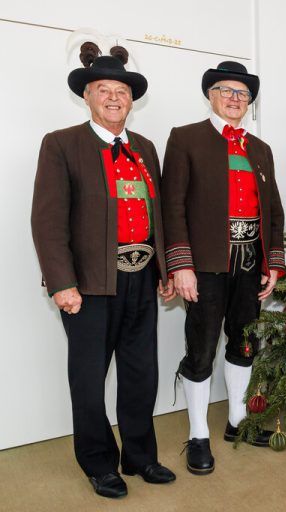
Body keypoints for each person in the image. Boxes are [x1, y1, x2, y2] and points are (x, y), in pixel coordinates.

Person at [30, 44, 176, 499]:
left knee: (141, 373)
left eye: (122, 91)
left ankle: (140, 456)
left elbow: (158, 215)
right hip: (90, 285)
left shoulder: (146, 148)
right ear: (87, 96)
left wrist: (165, 270)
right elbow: (48, 221)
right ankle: (98, 463)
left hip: (141, 278)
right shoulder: (61, 144)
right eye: (104, 90)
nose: (114, 98)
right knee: (89, 380)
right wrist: (62, 283)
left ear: (132, 100)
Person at [162, 61, 286, 475]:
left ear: (249, 102)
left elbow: (274, 211)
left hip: (250, 262)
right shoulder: (185, 138)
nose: (235, 99)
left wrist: (274, 262)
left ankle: (238, 421)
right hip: (205, 264)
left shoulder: (260, 148)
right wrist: (181, 265)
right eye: (226, 91)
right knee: (201, 347)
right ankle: (198, 434)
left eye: (242, 94)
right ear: (210, 95)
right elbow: (172, 207)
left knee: (245, 341)